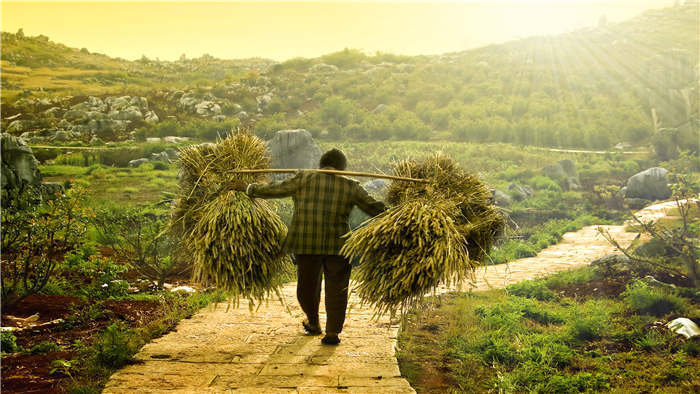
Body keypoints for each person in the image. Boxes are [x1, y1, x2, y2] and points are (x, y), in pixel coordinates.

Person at [244, 148, 385, 345]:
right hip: (338, 246)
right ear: (342, 168)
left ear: (321, 164)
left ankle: (313, 321)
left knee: (307, 287)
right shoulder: (350, 186)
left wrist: (251, 189)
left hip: (306, 243)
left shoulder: (304, 178)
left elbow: (276, 189)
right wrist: (401, 212)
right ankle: (332, 333)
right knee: (337, 289)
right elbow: (375, 208)